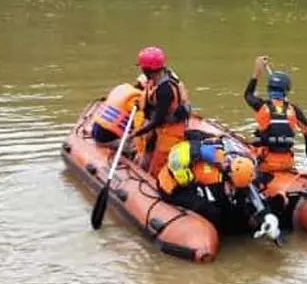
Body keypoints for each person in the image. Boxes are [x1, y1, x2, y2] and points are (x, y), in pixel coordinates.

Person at [158, 136, 279, 238]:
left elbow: (249, 188)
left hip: (189, 178)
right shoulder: (214, 178)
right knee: (211, 210)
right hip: (172, 188)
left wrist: (266, 214)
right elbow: (225, 205)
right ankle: (218, 235)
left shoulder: (229, 161)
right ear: (230, 175)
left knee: (229, 205)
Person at [244, 56, 307, 174]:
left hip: (266, 164)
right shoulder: (293, 109)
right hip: (287, 163)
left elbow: (248, 95)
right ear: (287, 90)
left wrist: (257, 71)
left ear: (268, 88)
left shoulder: (262, 106)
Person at [130, 46, 191, 178]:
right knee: (146, 147)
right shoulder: (162, 76)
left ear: (148, 70)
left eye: (142, 67)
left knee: (157, 169)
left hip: (170, 131)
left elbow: (158, 119)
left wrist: (138, 132)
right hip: (160, 126)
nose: (141, 69)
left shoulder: (165, 90)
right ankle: (142, 166)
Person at [90, 75, 148, 153]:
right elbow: (139, 125)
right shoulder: (137, 98)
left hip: (96, 131)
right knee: (140, 148)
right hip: (107, 138)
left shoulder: (123, 88)